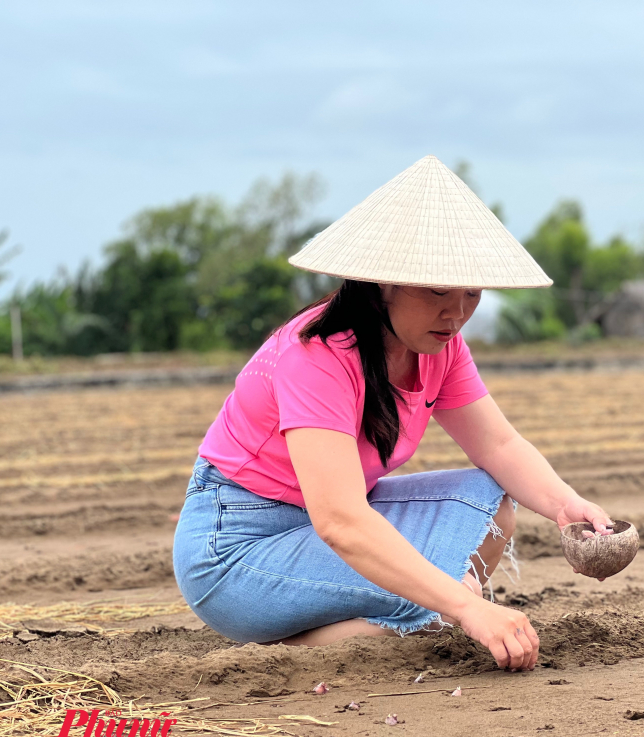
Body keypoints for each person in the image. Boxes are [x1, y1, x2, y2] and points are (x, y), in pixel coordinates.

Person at [172, 156, 614, 672]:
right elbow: (339, 519)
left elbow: (499, 447)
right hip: (238, 549)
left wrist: (566, 505)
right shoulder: (316, 356)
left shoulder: (440, 346)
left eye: (471, 292)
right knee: (442, 599)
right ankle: (317, 641)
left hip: (326, 525)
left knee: (490, 503)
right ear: (382, 282)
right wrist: (469, 606)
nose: (456, 311)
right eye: (436, 291)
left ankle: (370, 625)